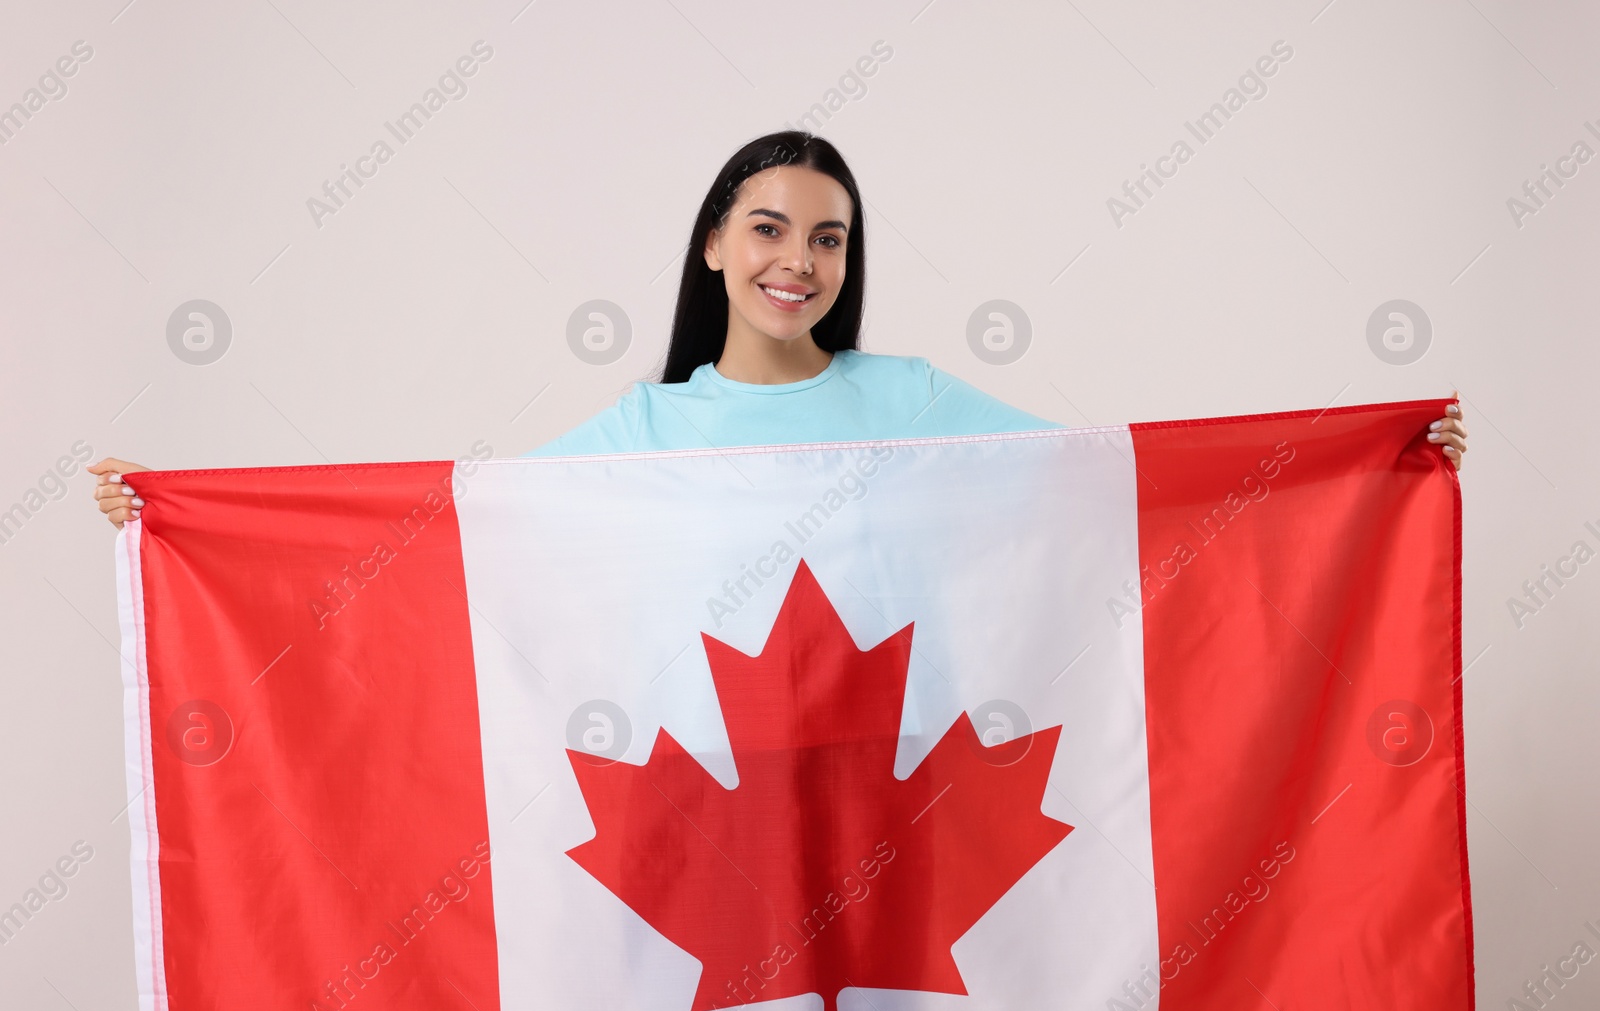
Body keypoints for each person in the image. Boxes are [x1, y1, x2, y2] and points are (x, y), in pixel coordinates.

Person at [88, 130, 1467, 521]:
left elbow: (1112, 481)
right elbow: (452, 531)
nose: (798, 260)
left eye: (828, 237)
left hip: (905, 778)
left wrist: (1373, 455)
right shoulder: (644, 430)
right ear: (712, 243)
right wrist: (187, 514)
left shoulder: (913, 397)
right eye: (768, 228)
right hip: (713, 787)